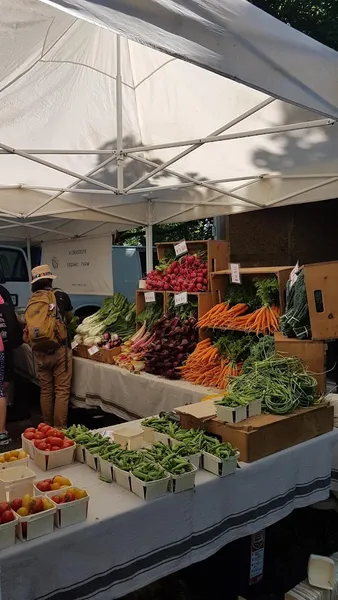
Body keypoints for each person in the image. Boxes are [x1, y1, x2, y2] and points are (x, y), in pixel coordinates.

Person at [26, 265, 73, 429]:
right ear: (50, 279)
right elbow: (69, 317)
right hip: (59, 348)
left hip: (39, 350)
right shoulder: (59, 295)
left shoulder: (32, 299)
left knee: (46, 390)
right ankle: (60, 429)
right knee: (61, 391)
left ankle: (46, 427)